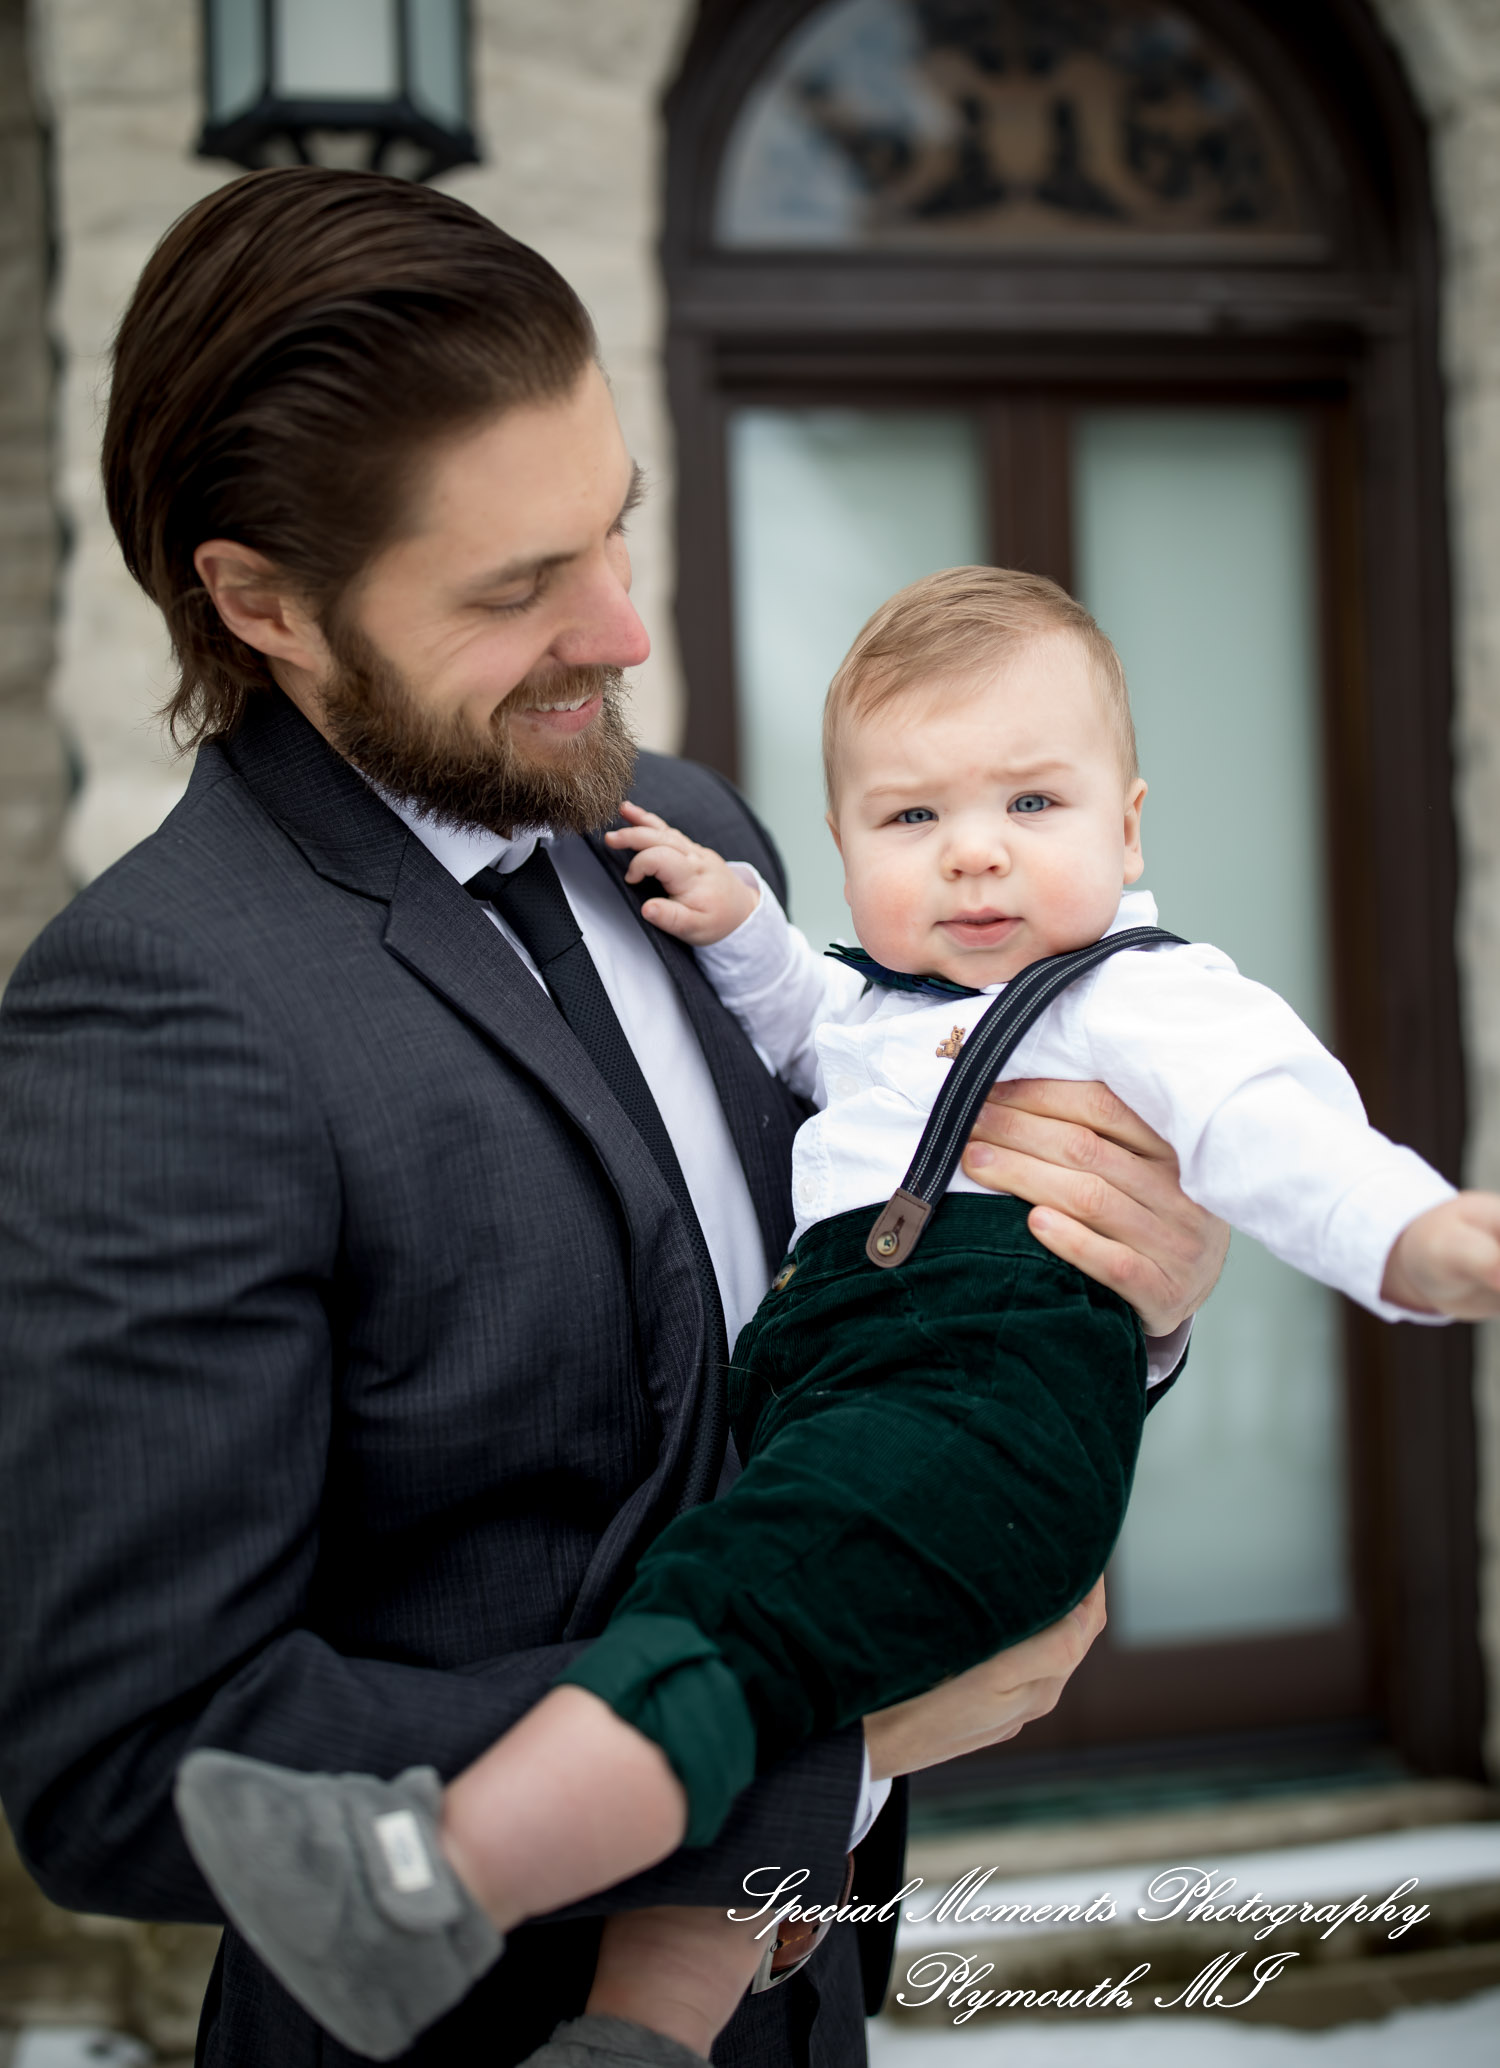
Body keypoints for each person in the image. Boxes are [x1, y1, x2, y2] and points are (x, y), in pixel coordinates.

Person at [0, 172, 1225, 2068]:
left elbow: (835, 1286)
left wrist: (1118, 1287)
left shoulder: (695, 841)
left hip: (801, 2003)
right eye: (516, 591)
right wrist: (846, 1730)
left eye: (614, 531)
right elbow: (131, 1762)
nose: (623, 629)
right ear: (260, 603)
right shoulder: (161, 1006)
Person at [174, 567, 1500, 2067]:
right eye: (912, 820)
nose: (975, 858)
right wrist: (743, 923)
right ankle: (640, 2039)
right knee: (783, 1719)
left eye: (1033, 805)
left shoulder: (1145, 1002)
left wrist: (1416, 1236)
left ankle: (437, 1880)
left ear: (1129, 824)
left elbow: (1273, 1131)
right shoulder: (884, 999)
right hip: (844, 1401)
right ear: (845, 841)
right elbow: (805, 1016)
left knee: (720, 1624)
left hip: (971, 1406)